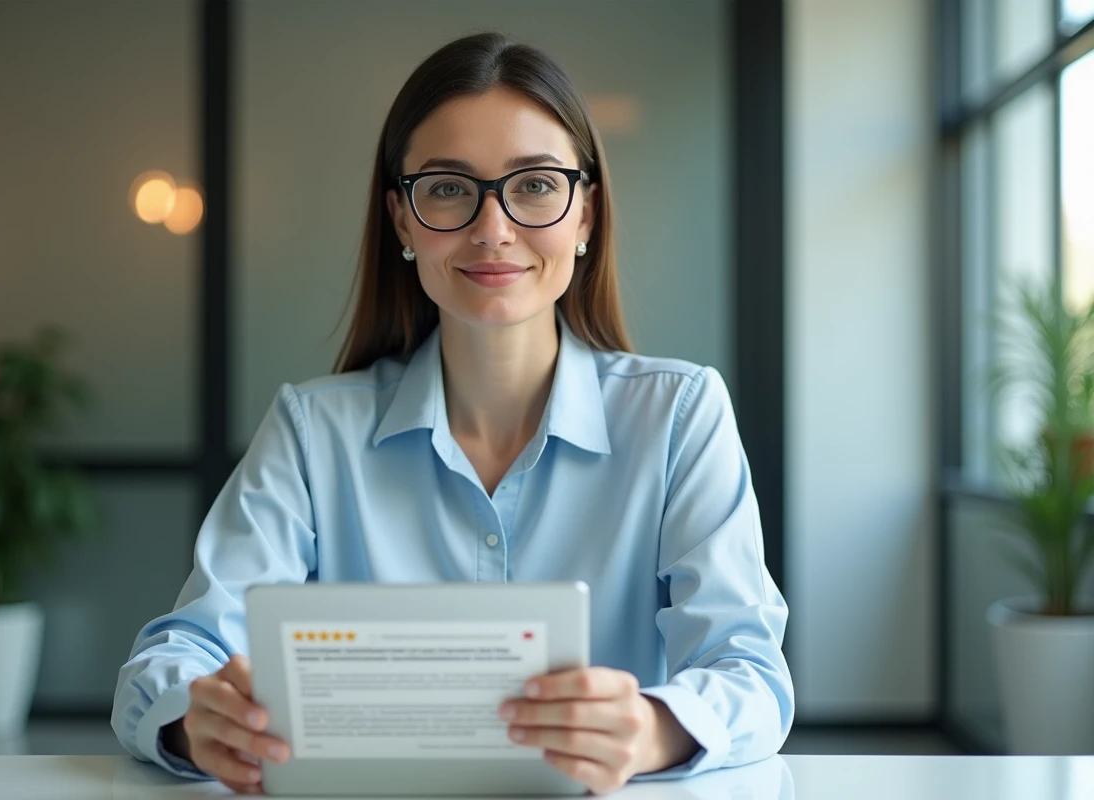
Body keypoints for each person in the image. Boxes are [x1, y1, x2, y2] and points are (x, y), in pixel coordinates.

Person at [111, 31, 793, 796]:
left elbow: (750, 672)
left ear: (587, 215)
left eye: (535, 185)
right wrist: (193, 719)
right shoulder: (312, 434)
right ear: (402, 220)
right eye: (446, 187)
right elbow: (174, 657)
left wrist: (651, 729)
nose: (492, 228)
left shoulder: (679, 416)